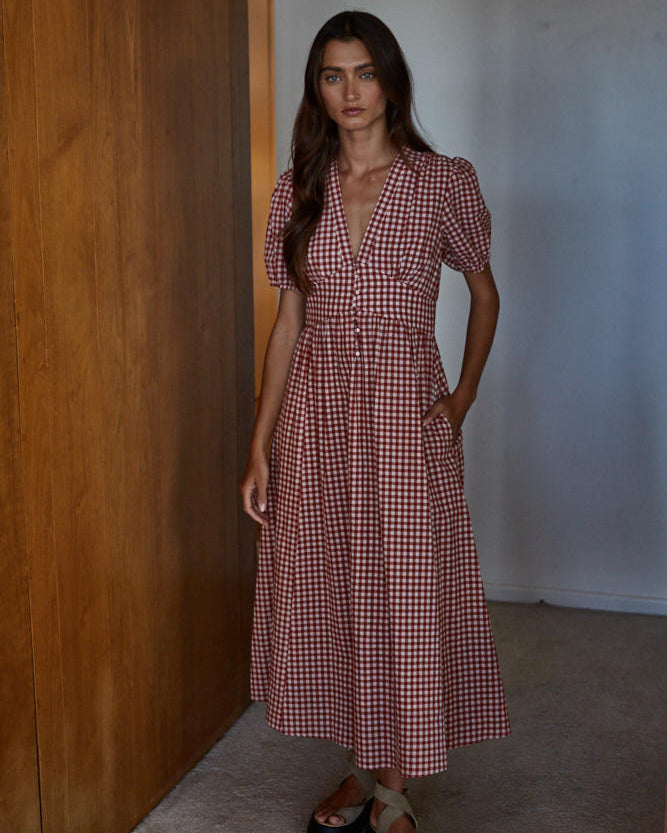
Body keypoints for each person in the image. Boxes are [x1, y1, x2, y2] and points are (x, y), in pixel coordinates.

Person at [241, 10, 510, 832]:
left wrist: (460, 398)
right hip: (316, 417)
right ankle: (362, 764)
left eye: (363, 72)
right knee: (333, 585)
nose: (349, 91)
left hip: (401, 411)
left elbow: (484, 292)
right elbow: (288, 324)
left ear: (390, 81)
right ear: (316, 88)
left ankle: (395, 780)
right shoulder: (298, 187)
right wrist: (258, 446)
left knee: (402, 586)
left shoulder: (442, 180)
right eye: (332, 74)